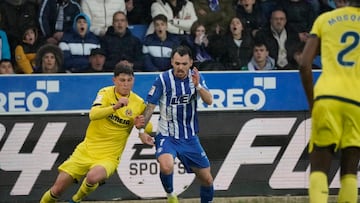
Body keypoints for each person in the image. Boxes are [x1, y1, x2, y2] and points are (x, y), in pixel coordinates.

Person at [39, 64, 154, 203]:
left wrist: (141, 126)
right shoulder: (105, 93)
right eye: (122, 80)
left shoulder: (138, 102)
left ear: (133, 81)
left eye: (129, 80)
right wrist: (115, 107)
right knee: (57, 189)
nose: (126, 84)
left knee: (93, 177)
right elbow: (93, 115)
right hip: (86, 150)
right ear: (114, 80)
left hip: (109, 156)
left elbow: (147, 126)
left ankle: (76, 199)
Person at [299, 1, 360, 203]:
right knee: (350, 172)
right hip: (357, 101)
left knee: (319, 169)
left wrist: (312, 102)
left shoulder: (325, 19)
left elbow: (305, 64)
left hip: (327, 96)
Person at [138, 45, 214, 203]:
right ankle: (171, 195)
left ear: (191, 63)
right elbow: (150, 106)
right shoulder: (163, 80)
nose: (180, 67)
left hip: (189, 137)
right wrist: (141, 131)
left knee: (207, 180)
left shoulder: (196, 78)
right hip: (167, 135)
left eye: (184, 64)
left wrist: (198, 86)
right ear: (172, 62)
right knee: (166, 166)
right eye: (177, 63)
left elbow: (209, 100)